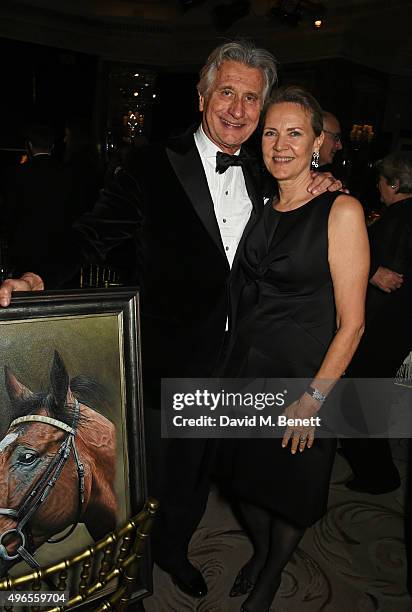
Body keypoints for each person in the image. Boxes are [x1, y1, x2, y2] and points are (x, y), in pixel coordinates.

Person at [0, 42, 342, 599]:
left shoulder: (267, 167)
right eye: (226, 91)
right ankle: (133, 565)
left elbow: (301, 220)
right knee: (158, 478)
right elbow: (93, 233)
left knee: (204, 473)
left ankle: (177, 550)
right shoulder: (150, 164)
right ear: (202, 94)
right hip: (171, 359)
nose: (237, 109)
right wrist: (38, 278)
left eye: (251, 97)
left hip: (247, 363)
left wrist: (324, 185)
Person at [219, 86, 369, 612]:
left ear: (317, 143)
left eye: (295, 132)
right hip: (244, 376)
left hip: (302, 381)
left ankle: (271, 573)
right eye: (271, 132)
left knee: (288, 493)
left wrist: (313, 400)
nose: (280, 144)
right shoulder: (262, 206)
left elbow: (352, 326)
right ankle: (262, 553)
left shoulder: (341, 209)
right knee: (242, 482)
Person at [340, 153, 412, 493]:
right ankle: (372, 464)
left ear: (394, 183)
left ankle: (378, 474)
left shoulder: (399, 217)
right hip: (397, 325)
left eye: (383, 182)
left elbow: (389, 274)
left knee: (360, 397)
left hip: (383, 325)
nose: (379, 188)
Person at [1, 123, 73, 284]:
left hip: (25, 247)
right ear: (52, 146)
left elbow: (9, 212)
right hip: (59, 246)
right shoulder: (68, 174)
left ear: (30, 146)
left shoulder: (17, 173)